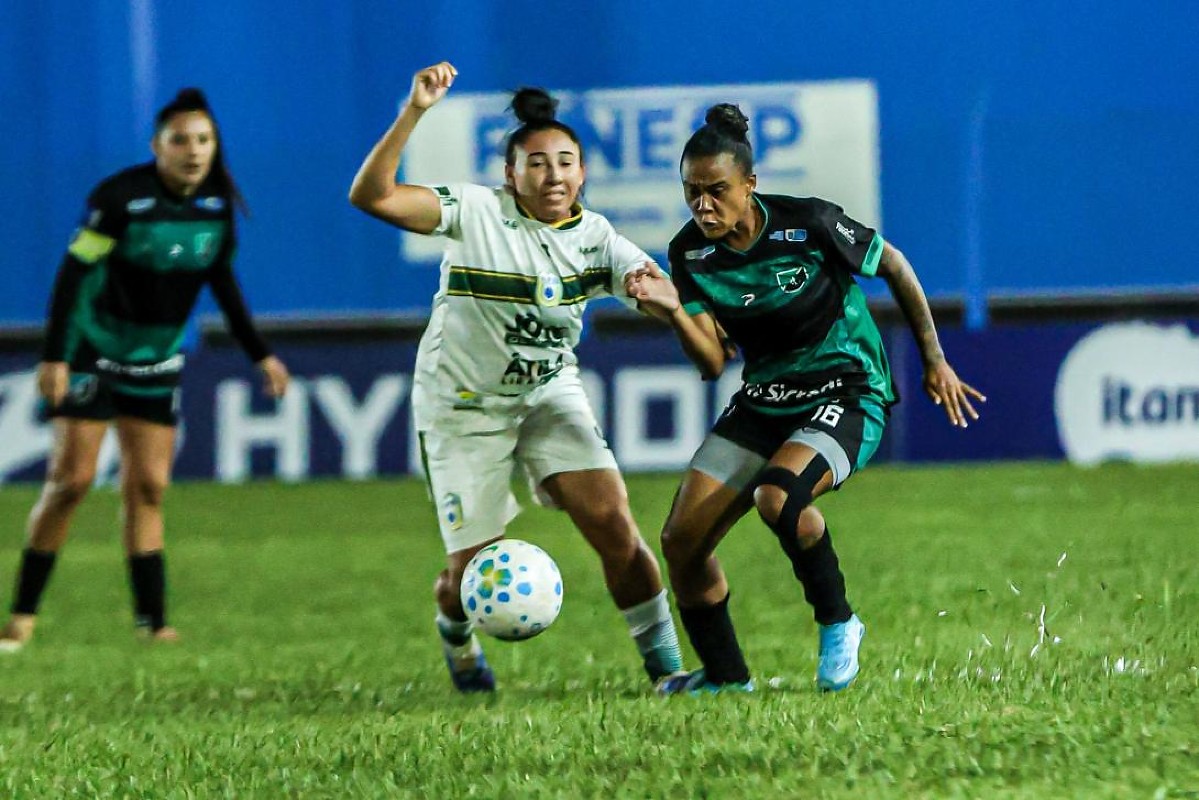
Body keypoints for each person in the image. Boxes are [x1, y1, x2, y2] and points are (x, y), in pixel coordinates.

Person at [348, 62, 685, 693]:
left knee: (615, 526)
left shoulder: (597, 238)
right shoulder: (474, 211)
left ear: (583, 172)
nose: (553, 174)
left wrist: (668, 302)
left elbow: (665, 296)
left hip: (547, 393)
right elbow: (372, 196)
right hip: (462, 406)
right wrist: (415, 111)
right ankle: (456, 635)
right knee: (468, 576)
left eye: (565, 162)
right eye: (536, 163)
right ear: (510, 174)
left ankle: (667, 669)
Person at [626, 104, 985, 694]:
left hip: (847, 387)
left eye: (717, 191)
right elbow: (712, 362)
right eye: (692, 192)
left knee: (778, 497)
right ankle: (726, 677)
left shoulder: (809, 223)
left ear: (750, 185)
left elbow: (894, 265)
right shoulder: (689, 253)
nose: (703, 205)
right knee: (681, 541)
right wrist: (671, 312)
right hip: (766, 399)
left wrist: (934, 359)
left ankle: (839, 622)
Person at [0, 88, 290, 652]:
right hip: (93, 352)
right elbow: (74, 274)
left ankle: (152, 624)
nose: (194, 151)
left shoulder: (215, 207)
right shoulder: (119, 199)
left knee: (149, 487)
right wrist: (55, 354)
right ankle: (21, 617)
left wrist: (260, 353)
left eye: (203, 140)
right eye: (180, 140)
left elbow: (221, 281)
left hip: (156, 359)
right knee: (71, 482)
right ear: (157, 147)